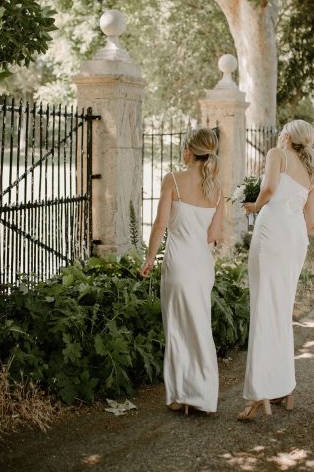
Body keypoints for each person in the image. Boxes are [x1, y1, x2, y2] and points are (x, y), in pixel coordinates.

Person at [238, 119, 314, 421]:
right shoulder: (311, 170)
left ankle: (259, 393)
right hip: (295, 238)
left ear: (286, 135)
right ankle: (285, 387)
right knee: (282, 311)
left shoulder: (277, 154)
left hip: (271, 234)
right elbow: (312, 221)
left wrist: (254, 207)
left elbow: (270, 188)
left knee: (262, 309)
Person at [141, 128, 224, 415]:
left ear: (189, 151)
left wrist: (150, 258)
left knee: (177, 329)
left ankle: (181, 396)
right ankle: (204, 395)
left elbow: (160, 225)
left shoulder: (173, 180)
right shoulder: (217, 189)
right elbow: (214, 235)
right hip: (201, 266)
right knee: (200, 327)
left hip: (178, 264)